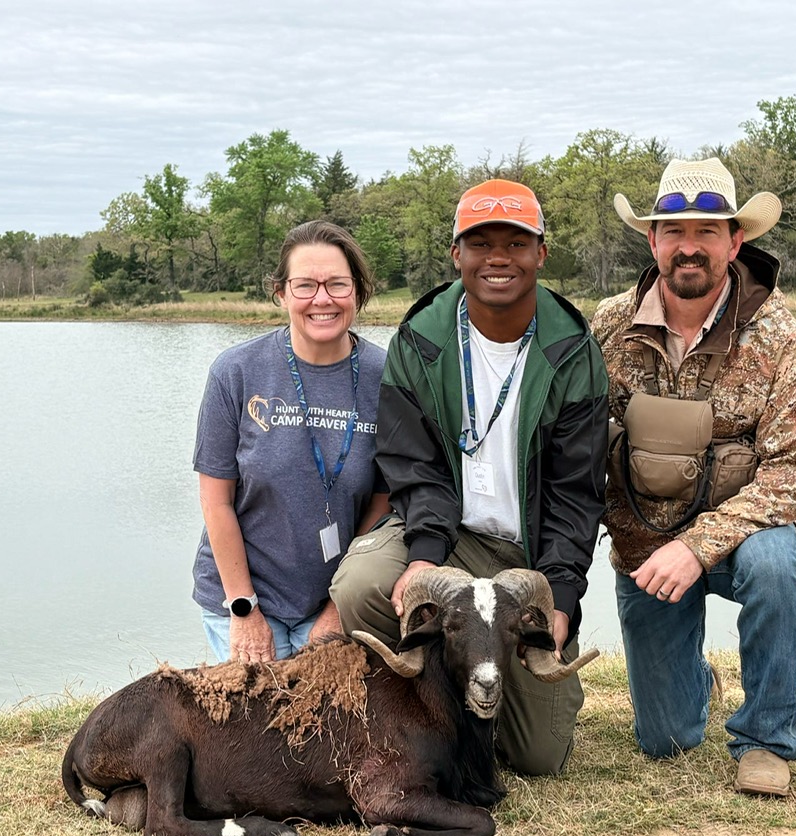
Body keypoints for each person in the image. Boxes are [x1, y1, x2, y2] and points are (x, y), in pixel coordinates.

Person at [330, 179, 609, 776]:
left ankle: (492, 691)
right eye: (480, 243)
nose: (498, 258)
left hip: (527, 557)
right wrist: (425, 556)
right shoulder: (421, 339)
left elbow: (576, 494)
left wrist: (559, 596)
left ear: (541, 252)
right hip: (448, 535)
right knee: (361, 584)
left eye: (516, 242)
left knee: (538, 757)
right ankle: (411, 722)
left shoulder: (573, 350)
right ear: (457, 254)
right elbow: (414, 466)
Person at [591, 157, 796, 797]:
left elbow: (793, 473)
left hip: (744, 538)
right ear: (652, 240)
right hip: (644, 547)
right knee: (665, 741)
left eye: (707, 232)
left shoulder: (779, 334)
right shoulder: (607, 327)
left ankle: (766, 740)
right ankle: (695, 686)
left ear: (736, 240)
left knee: (778, 567)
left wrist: (696, 549)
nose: (689, 247)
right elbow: (574, 449)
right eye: (674, 231)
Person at [192, 221, 389, 663]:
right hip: (243, 595)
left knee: (332, 725)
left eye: (337, 284)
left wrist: (340, 607)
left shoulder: (387, 376)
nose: (322, 299)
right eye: (305, 285)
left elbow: (385, 500)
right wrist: (243, 609)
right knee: (258, 724)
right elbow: (215, 501)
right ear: (280, 293)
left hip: (338, 595)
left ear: (358, 290)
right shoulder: (236, 372)